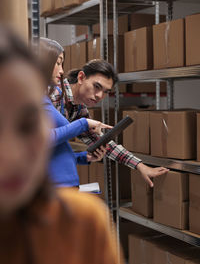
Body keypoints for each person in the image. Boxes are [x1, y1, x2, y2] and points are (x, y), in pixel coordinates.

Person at [0, 25, 126, 264]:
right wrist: (81, 126)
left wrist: (83, 157)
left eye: (27, 126)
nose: (13, 154)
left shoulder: (86, 221)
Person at [46, 42, 168, 186]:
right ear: (81, 78)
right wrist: (83, 124)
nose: (99, 96)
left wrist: (140, 166)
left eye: (105, 91)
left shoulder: (78, 109)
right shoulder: (52, 92)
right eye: (96, 87)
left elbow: (103, 144)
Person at [40, 38, 111, 187]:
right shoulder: (34, 98)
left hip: (63, 186)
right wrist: (83, 124)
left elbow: (54, 152)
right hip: (52, 187)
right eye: (58, 63)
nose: (61, 70)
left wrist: (83, 157)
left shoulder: (43, 98)